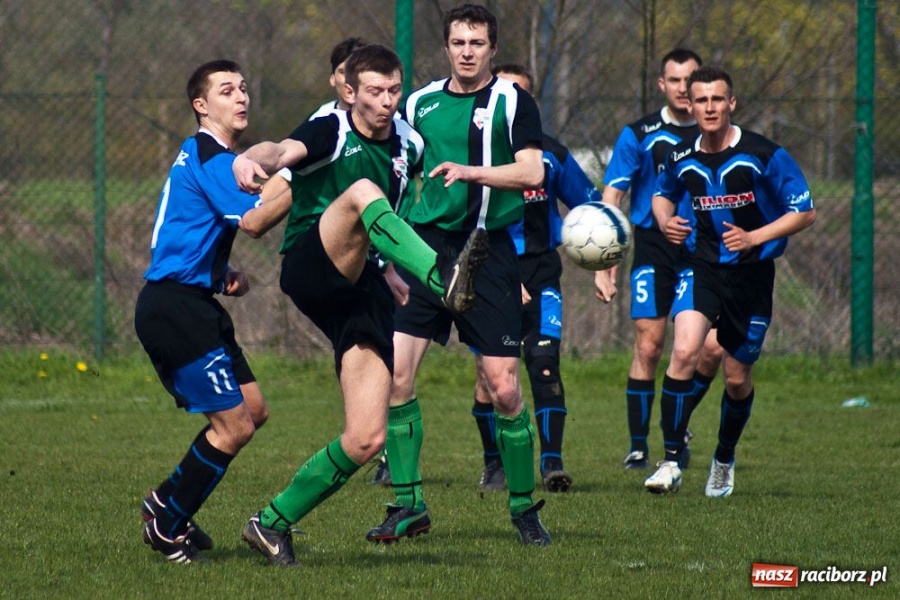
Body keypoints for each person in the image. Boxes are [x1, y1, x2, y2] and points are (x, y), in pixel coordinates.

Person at [230, 44, 488, 567]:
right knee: (360, 189)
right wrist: (245, 157)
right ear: (349, 91)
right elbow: (279, 152)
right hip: (310, 264)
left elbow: (386, 215)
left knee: (366, 437)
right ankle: (443, 277)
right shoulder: (330, 127)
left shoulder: (409, 145)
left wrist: (391, 268)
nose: (386, 100)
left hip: (360, 285)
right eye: (374, 91)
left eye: (394, 90)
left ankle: (271, 523)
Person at [368, 3, 551, 547]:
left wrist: (473, 172)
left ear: (492, 48)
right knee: (396, 379)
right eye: (458, 42)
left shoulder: (513, 100)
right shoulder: (420, 102)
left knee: (504, 388)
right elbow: (391, 162)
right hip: (424, 251)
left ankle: (523, 508)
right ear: (446, 47)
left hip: (486, 252)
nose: (467, 51)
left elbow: (533, 171)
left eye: (477, 43)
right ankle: (408, 505)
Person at [135, 59, 292, 564]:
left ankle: (165, 500)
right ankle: (167, 525)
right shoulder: (212, 156)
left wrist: (217, 275)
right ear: (202, 106)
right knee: (233, 427)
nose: (241, 96)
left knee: (253, 411)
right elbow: (254, 221)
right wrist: (304, 179)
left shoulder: (214, 155)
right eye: (227, 90)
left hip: (192, 299)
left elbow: (182, 229)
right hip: (174, 308)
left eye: (244, 87)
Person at [646, 65, 816, 496]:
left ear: (731, 103)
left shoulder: (763, 154)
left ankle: (723, 459)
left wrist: (754, 237)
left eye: (717, 99)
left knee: (737, 378)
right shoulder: (682, 156)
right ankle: (670, 460)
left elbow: (805, 211)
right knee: (684, 350)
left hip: (752, 276)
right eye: (700, 100)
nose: (709, 107)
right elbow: (661, 192)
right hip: (701, 267)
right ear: (690, 104)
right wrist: (667, 222)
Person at [466, 63, 602, 494]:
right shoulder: (475, 158)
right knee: (490, 379)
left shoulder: (552, 155)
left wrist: (605, 263)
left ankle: (552, 464)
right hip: (489, 271)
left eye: (518, 95)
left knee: (543, 364)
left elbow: (590, 209)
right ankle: (494, 464)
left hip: (542, 272)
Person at [598, 49, 723, 471]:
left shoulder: (715, 134)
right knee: (649, 345)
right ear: (662, 85)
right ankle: (638, 446)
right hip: (653, 246)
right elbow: (613, 194)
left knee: (709, 349)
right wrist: (605, 256)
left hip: (704, 247)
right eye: (675, 80)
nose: (684, 89)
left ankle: (678, 420)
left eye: (691, 80)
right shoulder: (639, 134)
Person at [308, 37, 369, 118]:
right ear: (332, 79)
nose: (351, 78)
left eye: (359, 71)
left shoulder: (388, 116)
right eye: (343, 72)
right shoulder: (318, 118)